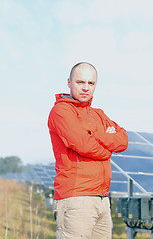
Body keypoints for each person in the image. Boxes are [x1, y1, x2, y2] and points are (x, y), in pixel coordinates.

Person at [48, 62, 128, 239]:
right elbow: (83, 144)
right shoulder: (61, 111)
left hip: (102, 198)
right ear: (69, 82)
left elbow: (123, 140)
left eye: (90, 83)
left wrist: (95, 134)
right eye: (80, 82)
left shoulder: (98, 114)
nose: (85, 88)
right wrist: (107, 151)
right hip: (76, 198)